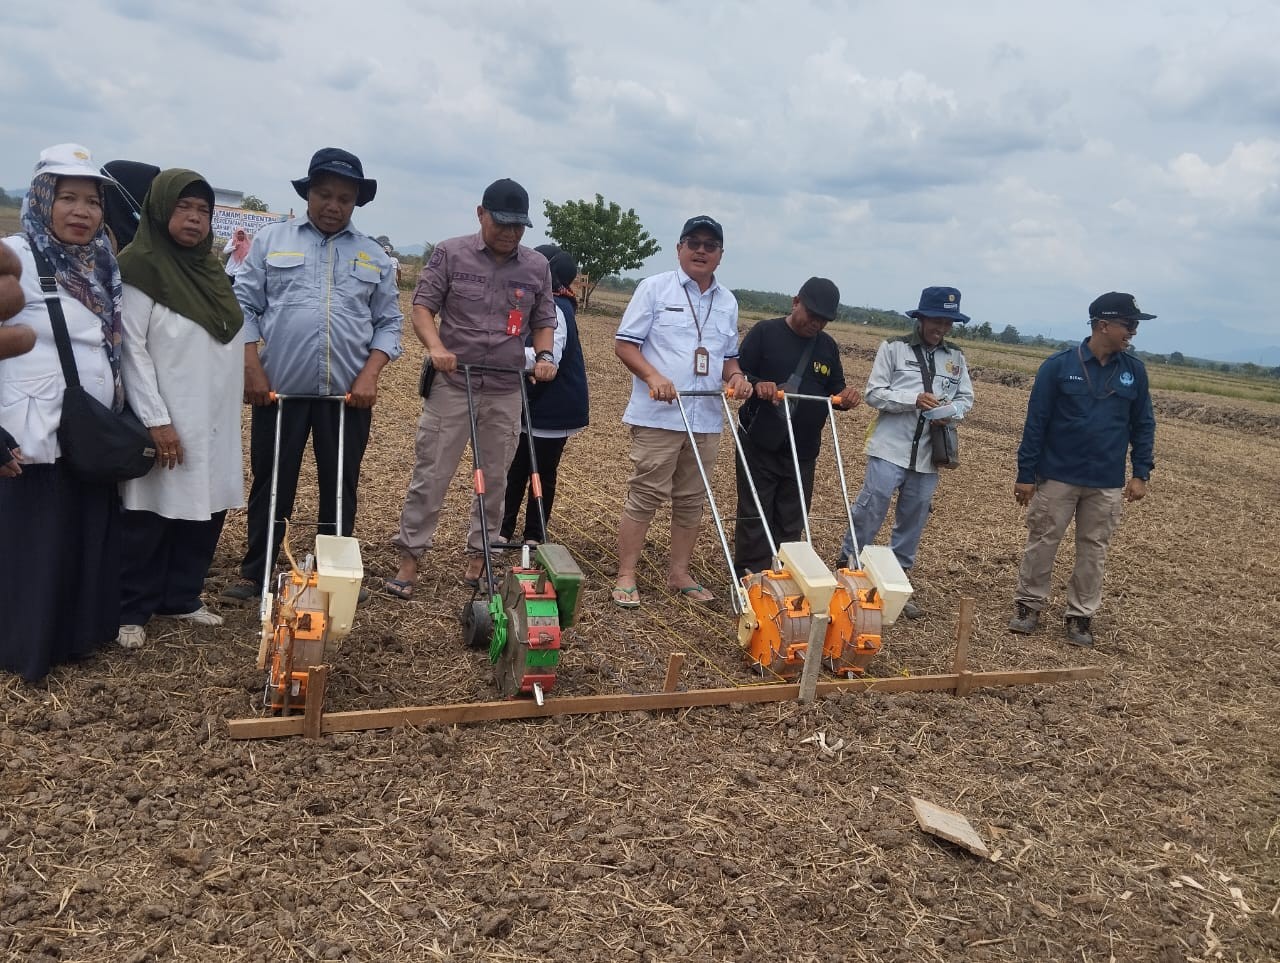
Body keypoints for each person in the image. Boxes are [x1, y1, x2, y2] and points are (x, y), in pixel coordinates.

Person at [222, 148, 402, 602]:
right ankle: (256, 571)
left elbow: (388, 322)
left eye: (344, 197)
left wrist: (370, 375)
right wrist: (252, 369)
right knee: (271, 481)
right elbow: (243, 306)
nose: (333, 205)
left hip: (346, 398)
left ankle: (336, 576)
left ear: (356, 202)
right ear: (308, 193)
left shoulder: (373, 256)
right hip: (277, 393)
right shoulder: (271, 241)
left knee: (340, 486)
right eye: (324, 194)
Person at [386, 178, 558, 599]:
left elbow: (544, 320)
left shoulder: (536, 266)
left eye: (518, 226)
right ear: (481, 214)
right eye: (502, 223)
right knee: (432, 474)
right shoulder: (450, 252)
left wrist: (546, 357)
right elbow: (423, 307)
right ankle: (410, 561)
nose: (510, 233)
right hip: (453, 382)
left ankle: (478, 560)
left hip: (505, 387)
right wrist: (437, 347)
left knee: (495, 479)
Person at [0, 144, 123, 681]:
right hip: (27, 429)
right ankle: (24, 650)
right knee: (33, 543)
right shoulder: (15, 256)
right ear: (42, 199)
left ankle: (70, 640)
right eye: (67, 198)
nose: (82, 212)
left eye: (92, 201)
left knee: (75, 537)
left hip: (85, 430)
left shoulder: (100, 263)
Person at [114, 169, 246, 649]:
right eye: (183, 208)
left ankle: (183, 596)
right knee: (151, 509)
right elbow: (132, 349)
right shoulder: (140, 265)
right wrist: (157, 420)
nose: (194, 219)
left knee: (206, 504)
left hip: (214, 412)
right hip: (169, 411)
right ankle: (133, 607)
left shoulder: (209, 268)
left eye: (203, 211)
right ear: (159, 209)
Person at [611, 215, 751, 608]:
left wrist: (737, 376)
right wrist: (653, 376)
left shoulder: (728, 301)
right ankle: (626, 575)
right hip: (660, 415)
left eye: (710, 245)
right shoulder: (654, 289)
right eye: (694, 243)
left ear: (721, 255)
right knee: (645, 494)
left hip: (706, 416)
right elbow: (625, 344)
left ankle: (679, 574)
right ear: (679, 248)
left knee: (692, 499)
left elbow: (729, 357)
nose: (701, 250)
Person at [1008, 292, 1156, 647]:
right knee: (1043, 541)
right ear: (1103, 325)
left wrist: (1141, 472)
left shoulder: (1134, 371)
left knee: (1094, 549)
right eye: (1128, 324)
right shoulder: (1058, 366)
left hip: (1105, 482)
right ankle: (1028, 606)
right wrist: (1026, 474)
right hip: (1057, 476)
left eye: (1135, 325)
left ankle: (1080, 617)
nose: (1133, 331)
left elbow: (1143, 424)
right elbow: (1036, 423)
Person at [837, 286, 975, 618]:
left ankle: (895, 585)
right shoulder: (894, 348)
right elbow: (874, 394)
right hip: (890, 448)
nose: (941, 328)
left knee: (913, 518)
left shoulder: (955, 358)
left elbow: (966, 399)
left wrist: (948, 411)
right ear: (921, 318)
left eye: (948, 322)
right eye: (936, 320)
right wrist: (911, 400)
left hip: (929, 455)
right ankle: (848, 570)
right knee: (872, 506)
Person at [733, 277, 861, 578]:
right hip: (760, 441)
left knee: (792, 518)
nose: (816, 324)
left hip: (803, 449)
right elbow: (738, 373)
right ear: (795, 302)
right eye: (812, 315)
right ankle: (752, 580)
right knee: (756, 513)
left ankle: (785, 579)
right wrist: (755, 383)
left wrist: (846, 398)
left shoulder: (827, 346)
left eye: (824, 320)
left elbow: (835, 388)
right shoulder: (765, 332)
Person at [498, 243, 589, 546]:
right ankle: (503, 530)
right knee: (516, 469)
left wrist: (500, 354)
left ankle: (534, 535)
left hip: (552, 408)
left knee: (541, 471)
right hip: (530, 403)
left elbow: (550, 356)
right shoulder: (537, 304)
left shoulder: (556, 309)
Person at [0, 242, 31, 476]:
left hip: (95, 441)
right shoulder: (18, 252)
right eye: (67, 200)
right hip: (28, 436)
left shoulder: (105, 265)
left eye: (94, 202)